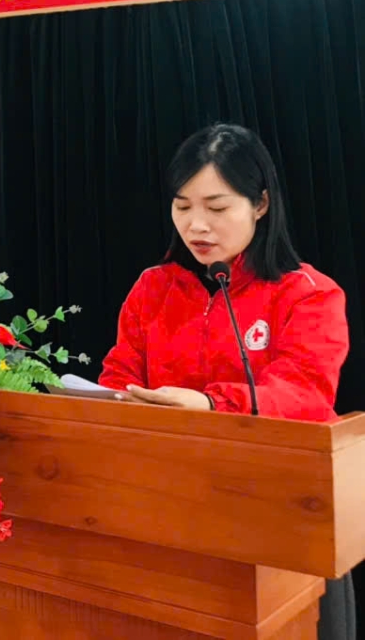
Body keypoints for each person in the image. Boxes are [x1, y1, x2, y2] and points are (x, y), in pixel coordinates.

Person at [98, 123, 354, 639]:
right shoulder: (153, 288)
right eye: (182, 206)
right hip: (171, 514)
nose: (196, 225)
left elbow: (303, 395)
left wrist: (212, 405)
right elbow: (119, 376)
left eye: (216, 208)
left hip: (282, 518)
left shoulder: (309, 294)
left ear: (260, 204)